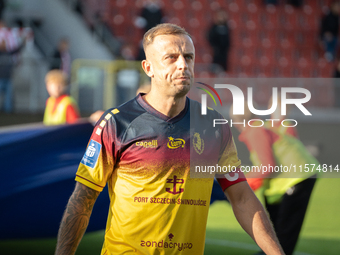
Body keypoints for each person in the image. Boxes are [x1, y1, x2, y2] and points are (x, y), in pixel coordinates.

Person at [54, 23, 284, 255]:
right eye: (171, 58)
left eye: (188, 57)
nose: (183, 64)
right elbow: (83, 198)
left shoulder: (214, 126)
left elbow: (242, 198)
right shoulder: (116, 123)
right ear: (148, 67)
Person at [230, 103, 317, 255]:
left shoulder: (255, 131)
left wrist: (241, 183)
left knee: (285, 231)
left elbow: (267, 166)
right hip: (292, 179)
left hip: (298, 178)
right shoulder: (259, 128)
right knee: (276, 225)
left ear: (236, 121)